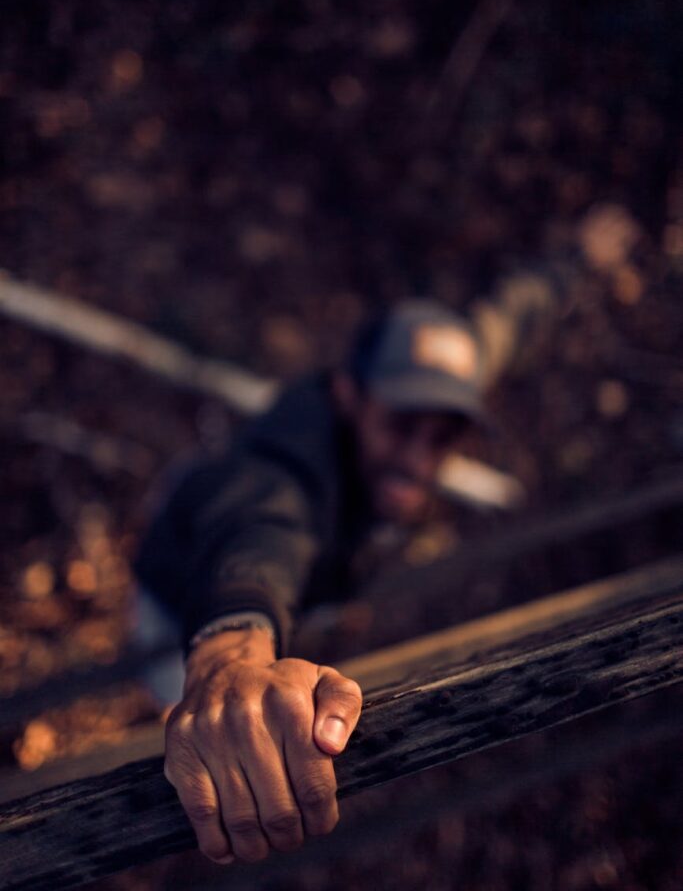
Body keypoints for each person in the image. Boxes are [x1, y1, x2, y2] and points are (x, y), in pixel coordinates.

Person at [135, 275, 561, 866]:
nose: (420, 461)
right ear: (347, 394)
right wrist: (228, 662)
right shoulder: (285, 474)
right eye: (403, 426)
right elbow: (259, 535)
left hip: (298, 588)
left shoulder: (443, 376)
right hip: (182, 603)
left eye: (445, 436)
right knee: (192, 727)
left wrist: (570, 269)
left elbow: (501, 325)